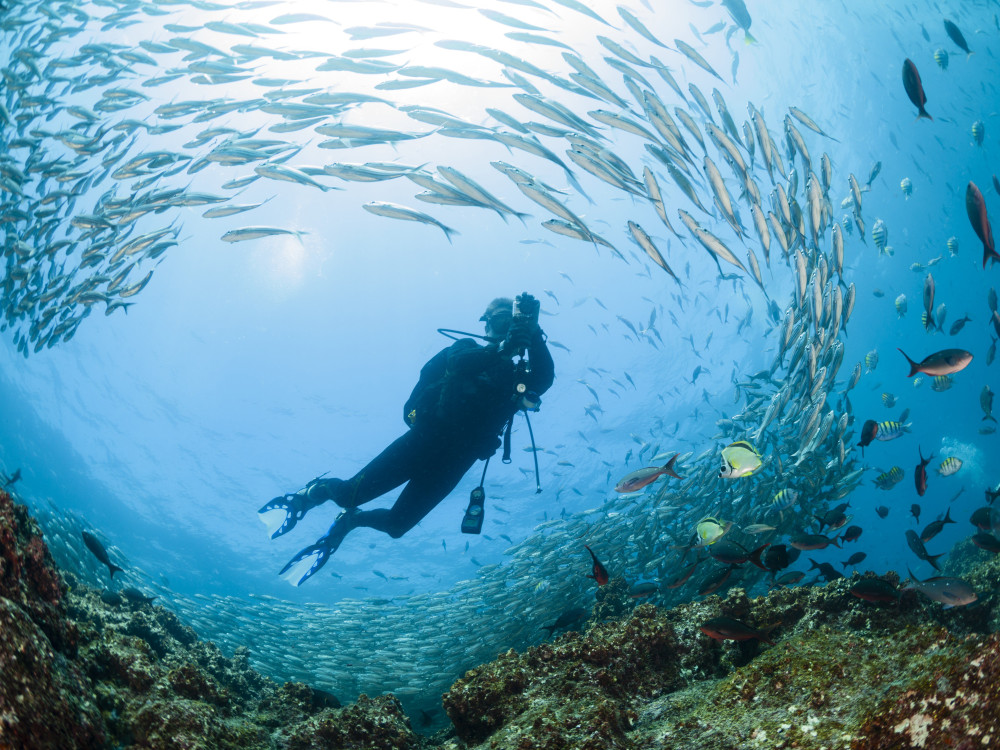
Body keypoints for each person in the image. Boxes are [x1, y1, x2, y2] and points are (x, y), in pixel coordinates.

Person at [259, 294, 555, 585]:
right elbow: (459, 363)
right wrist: (503, 348)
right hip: (423, 441)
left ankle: (350, 521)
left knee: (397, 526)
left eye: (511, 322)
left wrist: (535, 333)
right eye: (500, 321)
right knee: (349, 496)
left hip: (457, 461)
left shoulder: (516, 375)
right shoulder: (465, 347)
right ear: (486, 324)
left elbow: (543, 379)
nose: (505, 328)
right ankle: (311, 493)